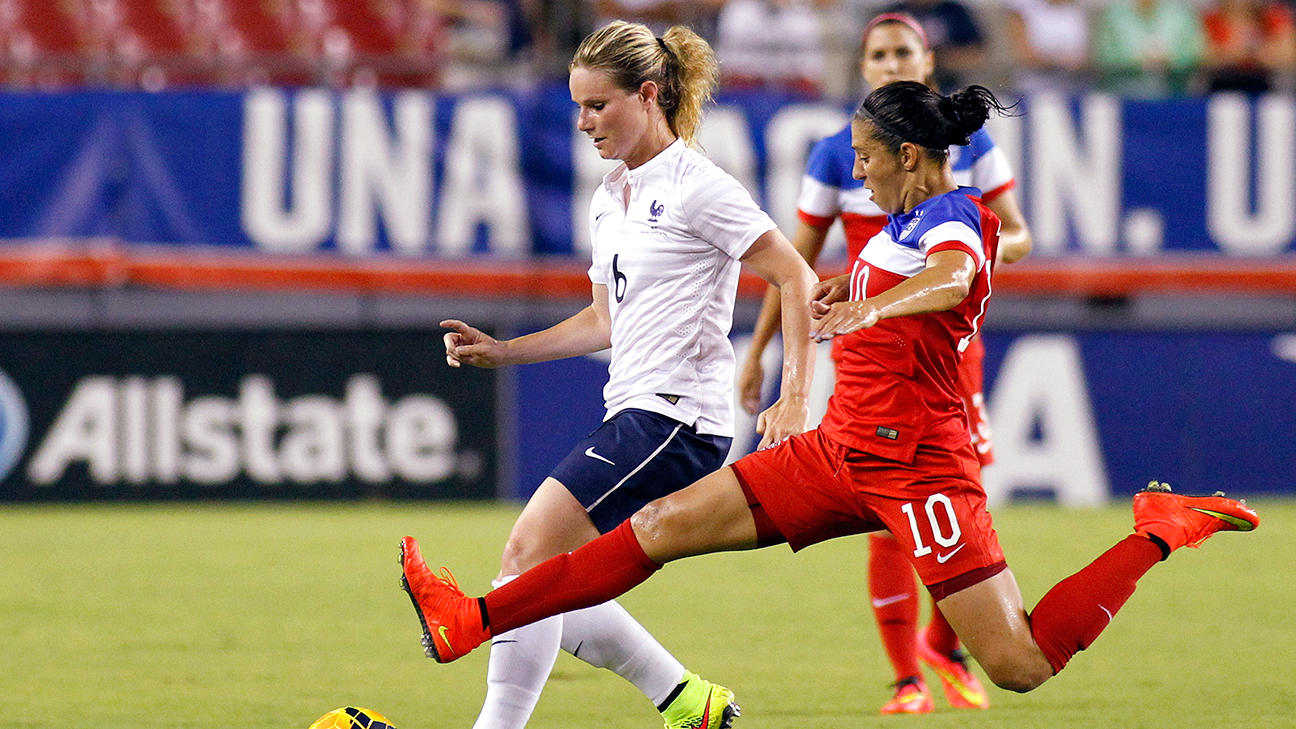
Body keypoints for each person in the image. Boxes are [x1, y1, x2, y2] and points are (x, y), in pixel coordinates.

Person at [397, 81, 1260, 711]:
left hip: (921, 468)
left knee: (1020, 662)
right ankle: (470, 618)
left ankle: (1156, 528)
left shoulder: (958, 216)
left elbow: (956, 279)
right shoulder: (895, 228)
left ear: (909, 158)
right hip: (838, 452)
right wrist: (842, 292)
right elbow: (876, 279)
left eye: (866, 160)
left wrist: (870, 305)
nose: (858, 174)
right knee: (653, 528)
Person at [423, 19, 819, 729]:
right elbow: (602, 323)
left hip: (679, 418)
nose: (582, 122)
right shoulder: (611, 195)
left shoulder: (699, 185)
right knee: (551, 586)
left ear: (648, 95)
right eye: (577, 106)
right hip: (634, 412)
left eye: (597, 105)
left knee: (524, 557)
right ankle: (690, 703)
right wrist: (504, 350)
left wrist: (794, 397)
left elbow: (794, 274)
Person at [734, 12, 1031, 715]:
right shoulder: (839, 155)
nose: (892, 61)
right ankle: (907, 674)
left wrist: (972, 251)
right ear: (861, 66)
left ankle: (946, 641)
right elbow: (797, 267)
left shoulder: (966, 145)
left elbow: (1014, 232)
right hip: (869, 340)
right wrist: (759, 352)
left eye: (904, 51)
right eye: (878, 53)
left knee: (955, 497)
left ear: (927, 63)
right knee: (885, 499)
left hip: (946, 343)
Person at [1092, 0, 1205, 97]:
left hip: (1175, 97)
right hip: (1126, 97)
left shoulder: (1181, 13)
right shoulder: (1114, 15)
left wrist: (1169, 61)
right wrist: (1138, 62)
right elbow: (1104, 56)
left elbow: (1195, 54)